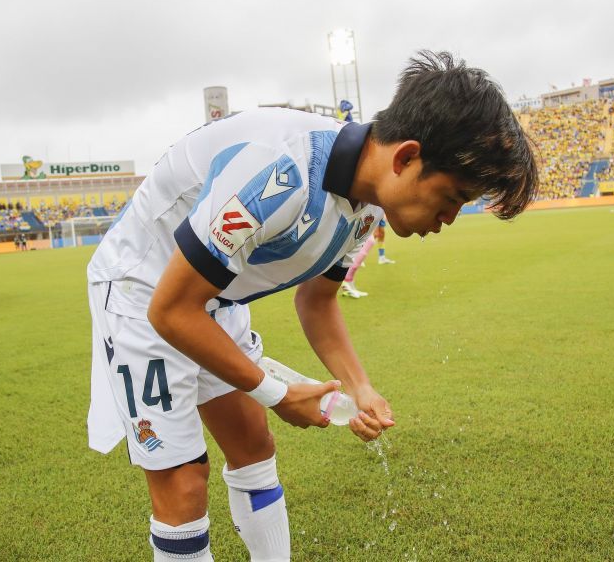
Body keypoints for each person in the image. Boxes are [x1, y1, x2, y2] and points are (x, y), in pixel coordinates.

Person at [86, 50, 538, 560]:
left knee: (253, 448)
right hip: (142, 291)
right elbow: (171, 311)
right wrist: (278, 393)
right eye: (453, 197)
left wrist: (360, 388)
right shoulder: (279, 171)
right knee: (184, 483)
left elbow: (318, 302)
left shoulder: (368, 205)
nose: (449, 218)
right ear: (406, 158)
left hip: (212, 297)